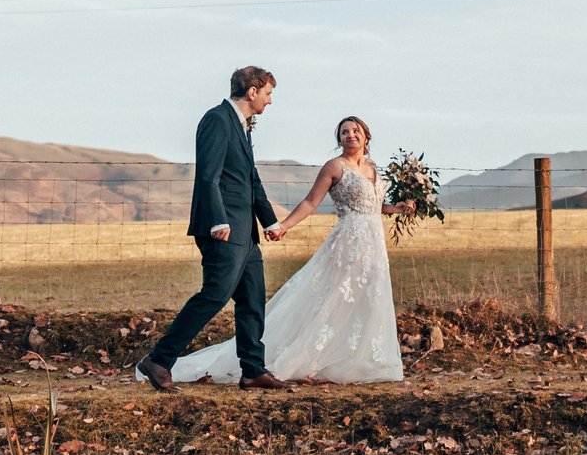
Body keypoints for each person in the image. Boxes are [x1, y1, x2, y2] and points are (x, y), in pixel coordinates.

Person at [168, 115, 413, 386]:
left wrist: (395, 208)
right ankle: (307, 357)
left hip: (374, 244)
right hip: (348, 244)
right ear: (339, 139)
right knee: (334, 299)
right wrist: (282, 225)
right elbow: (310, 202)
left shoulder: (373, 167)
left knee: (367, 298)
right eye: (344, 132)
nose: (350, 135)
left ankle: (359, 359)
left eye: (355, 130)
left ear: (366, 136)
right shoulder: (334, 167)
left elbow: (373, 205)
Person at [138, 65, 284, 392]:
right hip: (224, 230)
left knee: (252, 299)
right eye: (269, 93)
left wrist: (269, 220)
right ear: (252, 91)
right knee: (214, 295)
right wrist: (218, 219)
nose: (270, 101)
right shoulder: (216, 120)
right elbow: (208, 175)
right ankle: (159, 360)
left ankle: (252, 370)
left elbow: (250, 180)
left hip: (246, 234)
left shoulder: (242, 126)